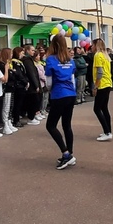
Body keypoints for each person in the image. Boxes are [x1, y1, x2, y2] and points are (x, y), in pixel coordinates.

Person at [43, 34, 77, 169]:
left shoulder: (51, 59)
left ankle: (66, 153)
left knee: (50, 126)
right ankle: (69, 153)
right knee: (66, 125)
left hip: (59, 95)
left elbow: (49, 82)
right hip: (71, 94)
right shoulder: (70, 59)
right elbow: (73, 79)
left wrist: (50, 91)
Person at [91, 39, 113, 141]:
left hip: (102, 84)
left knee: (97, 109)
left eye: (92, 45)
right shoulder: (105, 55)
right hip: (107, 83)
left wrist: (95, 86)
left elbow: (100, 72)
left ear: (96, 45)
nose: (91, 47)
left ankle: (107, 131)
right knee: (104, 108)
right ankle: (108, 130)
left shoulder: (98, 55)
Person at [21, 44, 42, 125]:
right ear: (27, 51)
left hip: (33, 84)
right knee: (33, 101)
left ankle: (32, 116)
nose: (34, 52)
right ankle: (31, 117)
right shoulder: (27, 61)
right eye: (32, 50)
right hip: (31, 85)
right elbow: (31, 73)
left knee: (35, 100)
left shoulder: (30, 60)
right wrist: (36, 85)